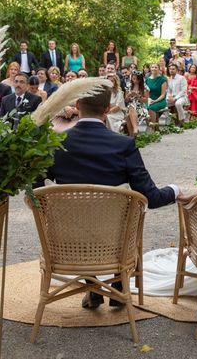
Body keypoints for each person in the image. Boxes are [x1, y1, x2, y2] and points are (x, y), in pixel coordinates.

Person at [42, 82, 179, 309]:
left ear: (77, 105)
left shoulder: (57, 143)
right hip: (113, 244)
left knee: (82, 220)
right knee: (119, 218)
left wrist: (48, 208)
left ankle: (93, 285)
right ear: (107, 109)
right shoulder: (123, 144)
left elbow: (36, 188)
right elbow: (151, 197)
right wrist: (176, 190)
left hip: (66, 243)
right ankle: (117, 284)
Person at [125, 71, 148, 137]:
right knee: (130, 110)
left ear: (140, 80)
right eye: (133, 78)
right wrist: (129, 95)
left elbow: (145, 101)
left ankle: (132, 135)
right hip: (130, 105)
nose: (134, 80)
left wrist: (138, 96)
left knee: (129, 113)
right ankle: (134, 133)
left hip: (141, 107)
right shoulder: (128, 86)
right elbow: (126, 100)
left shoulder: (145, 88)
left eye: (136, 79)